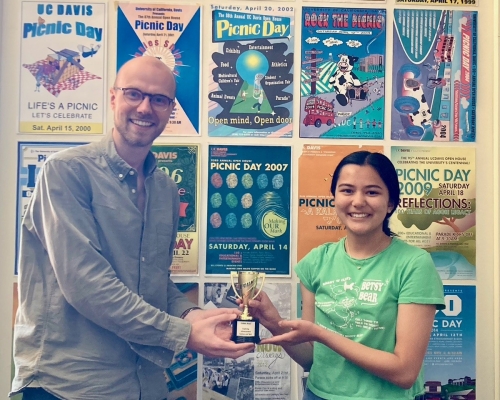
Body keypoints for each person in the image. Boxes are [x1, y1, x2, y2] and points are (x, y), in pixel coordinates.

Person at [11, 56, 255, 400]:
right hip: (69, 385)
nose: (145, 107)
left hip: (144, 384)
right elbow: (87, 286)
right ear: (113, 98)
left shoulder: (166, 191)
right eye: (133, 94)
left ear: (170, 110)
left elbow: (153, 282)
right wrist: (183, 334)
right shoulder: (66, 172)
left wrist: (197, 316)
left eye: (158, 99)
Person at [244, 151, 445, 400]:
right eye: (347, 190)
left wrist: (322, 334)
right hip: (319, 394)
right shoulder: (316, 262)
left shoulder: (414, 264)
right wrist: (273, 321)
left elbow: (404, 372)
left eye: (372, 192)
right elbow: (311, 358)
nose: (358, 201)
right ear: (334, 198)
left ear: (391, 202)